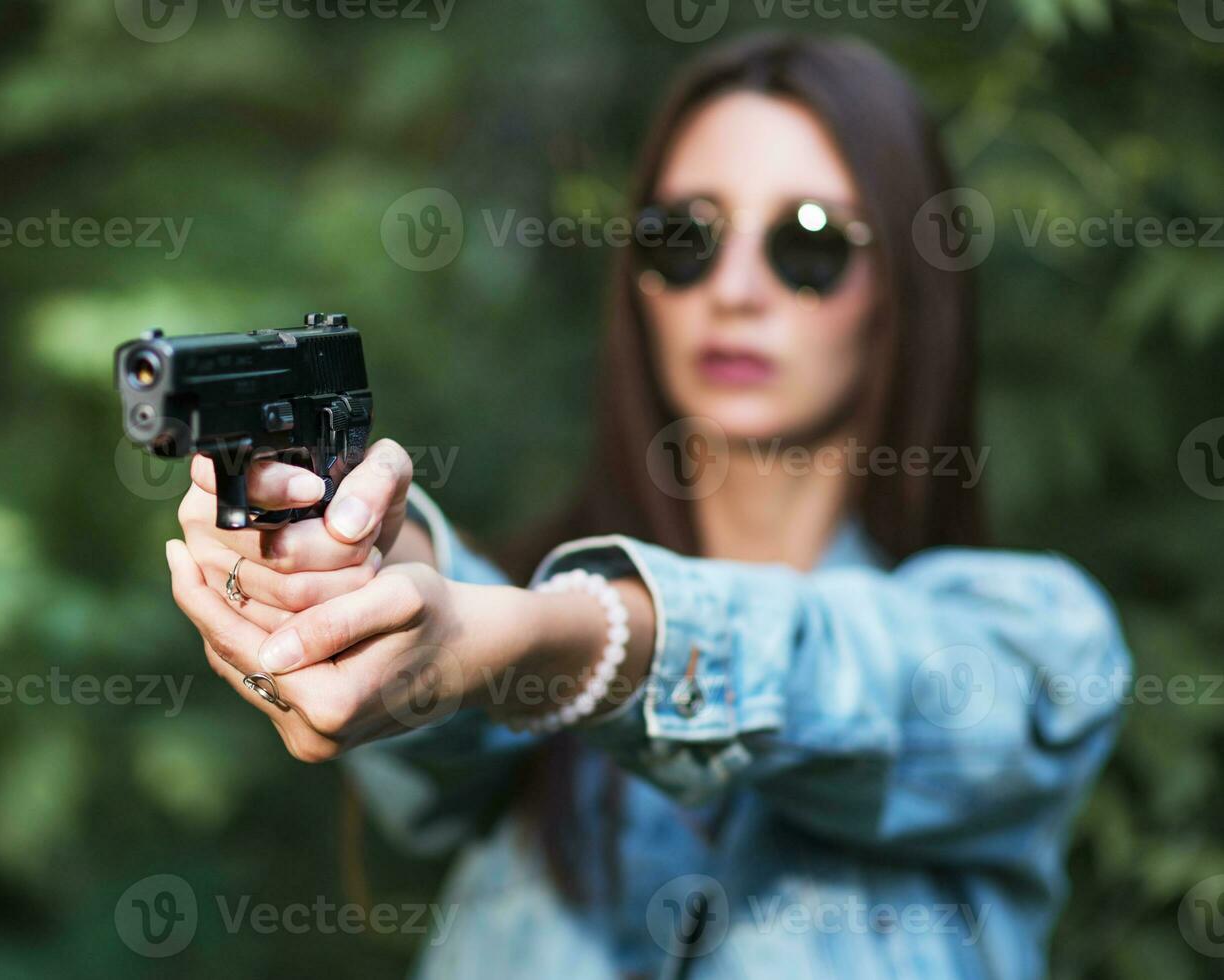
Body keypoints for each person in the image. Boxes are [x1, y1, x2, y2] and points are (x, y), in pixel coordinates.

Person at [164, 33, 1130, 980]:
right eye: (688, 237)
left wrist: (570, 642)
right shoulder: (516, 611)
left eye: (810, 245)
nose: (736, 291)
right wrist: (358, 552)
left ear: (904, 289)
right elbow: (450, 656)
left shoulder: (1034, 644)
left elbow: (847, 682)